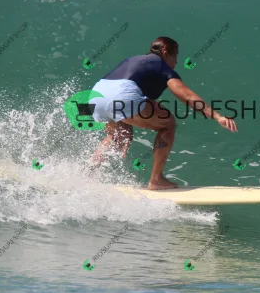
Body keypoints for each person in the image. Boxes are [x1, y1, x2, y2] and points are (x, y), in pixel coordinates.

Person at [88, 37, 238, 190]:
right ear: (165, 53)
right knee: (168, 123)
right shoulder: (162, 66)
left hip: (96, 97)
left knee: (118, 136)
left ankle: (89, 174)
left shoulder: (134, 59)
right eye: (176, 55)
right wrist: (217, 116)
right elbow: (186, 95)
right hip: (122, 95)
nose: (176, 61)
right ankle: (156, 179)